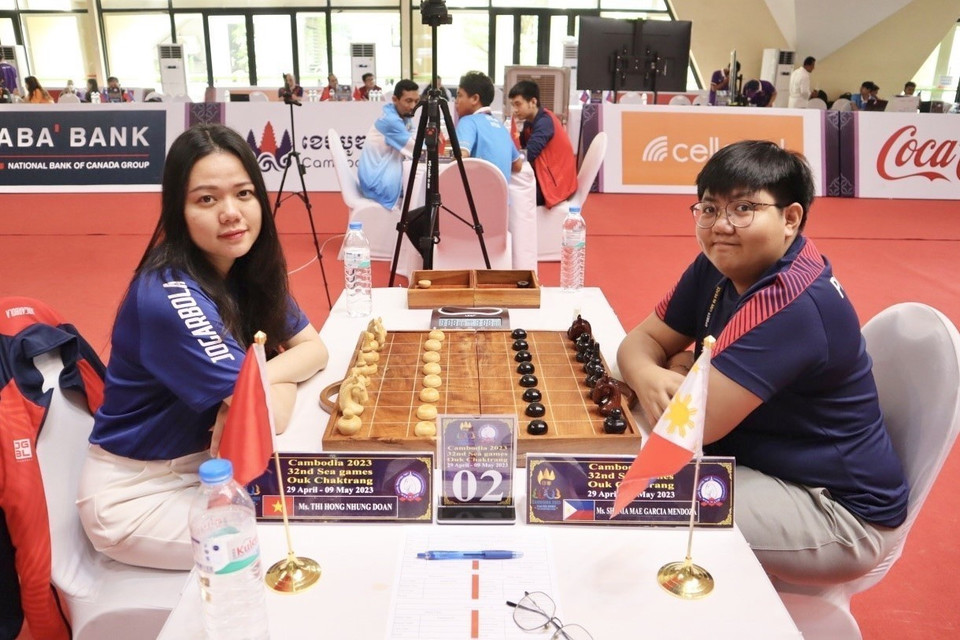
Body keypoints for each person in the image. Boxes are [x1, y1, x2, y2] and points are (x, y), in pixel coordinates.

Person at [616, 140, 908, 587]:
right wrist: (656, 371)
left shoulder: (793, 304)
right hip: (764, 460)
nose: (721, 226)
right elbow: (639, 342)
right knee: (619, 409)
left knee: (627, 493)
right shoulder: (717, 264)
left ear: (790, 219)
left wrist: (679, 368)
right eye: (709, 209)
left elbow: (691, 425)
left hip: (834, 511)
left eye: (744, 209)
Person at [76, 123, 329, 570]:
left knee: (331, 511)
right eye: (207, 199)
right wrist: (264, 378)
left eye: (244, 194)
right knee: (300, 545)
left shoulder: (246, 266)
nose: (231, 212)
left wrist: (257, 377)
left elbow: (316, 350)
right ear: (179, 211)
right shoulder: (170, 296)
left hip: (207, 471)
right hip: (140, 497)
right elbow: (271, 413)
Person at [508, 79, 577, 208]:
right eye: (513, 105)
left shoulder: (545, 122)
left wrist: (507, 160)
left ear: (533, 102)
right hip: (545, 178)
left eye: (518, 104)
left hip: (555, 185)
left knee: (510, 194)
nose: (515, 110)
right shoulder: (530, 121)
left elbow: (529, 154)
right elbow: (522, 148)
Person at [357, 79, 420, 210]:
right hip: (377, 185)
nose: (413, 106)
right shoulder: (390, 121)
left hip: (381, 178)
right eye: (408, 101)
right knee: (421, 190)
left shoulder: (404, 116)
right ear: (395, 99)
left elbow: (416, 138)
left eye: (416, 101)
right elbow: (417, 150)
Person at [454, 71, 522, 183]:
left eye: (460, 95)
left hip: (474, 198)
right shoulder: (501, 127)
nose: (456, 101)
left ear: (475, 99)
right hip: (502, 199)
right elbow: (518, 165)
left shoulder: (467, 121)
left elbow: (459, 159)